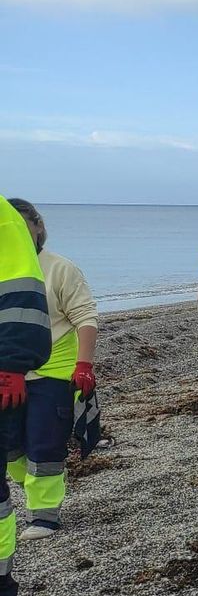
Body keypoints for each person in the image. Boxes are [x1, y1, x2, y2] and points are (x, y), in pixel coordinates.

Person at [4, 200, 97, 544]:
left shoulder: (59, 268)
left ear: (38, 227)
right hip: (7, 375)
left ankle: (45, 515)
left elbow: (85, 317)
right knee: (10, 446)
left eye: (23, 226)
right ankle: (38, 490)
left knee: (44, 443)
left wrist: (84, 366)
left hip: (54, 372)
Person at [0, 196, 53, 596]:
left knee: (41, 449)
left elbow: (22, 300)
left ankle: (46, 514)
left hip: (31, 374)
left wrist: (13, 363)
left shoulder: (4, 219)